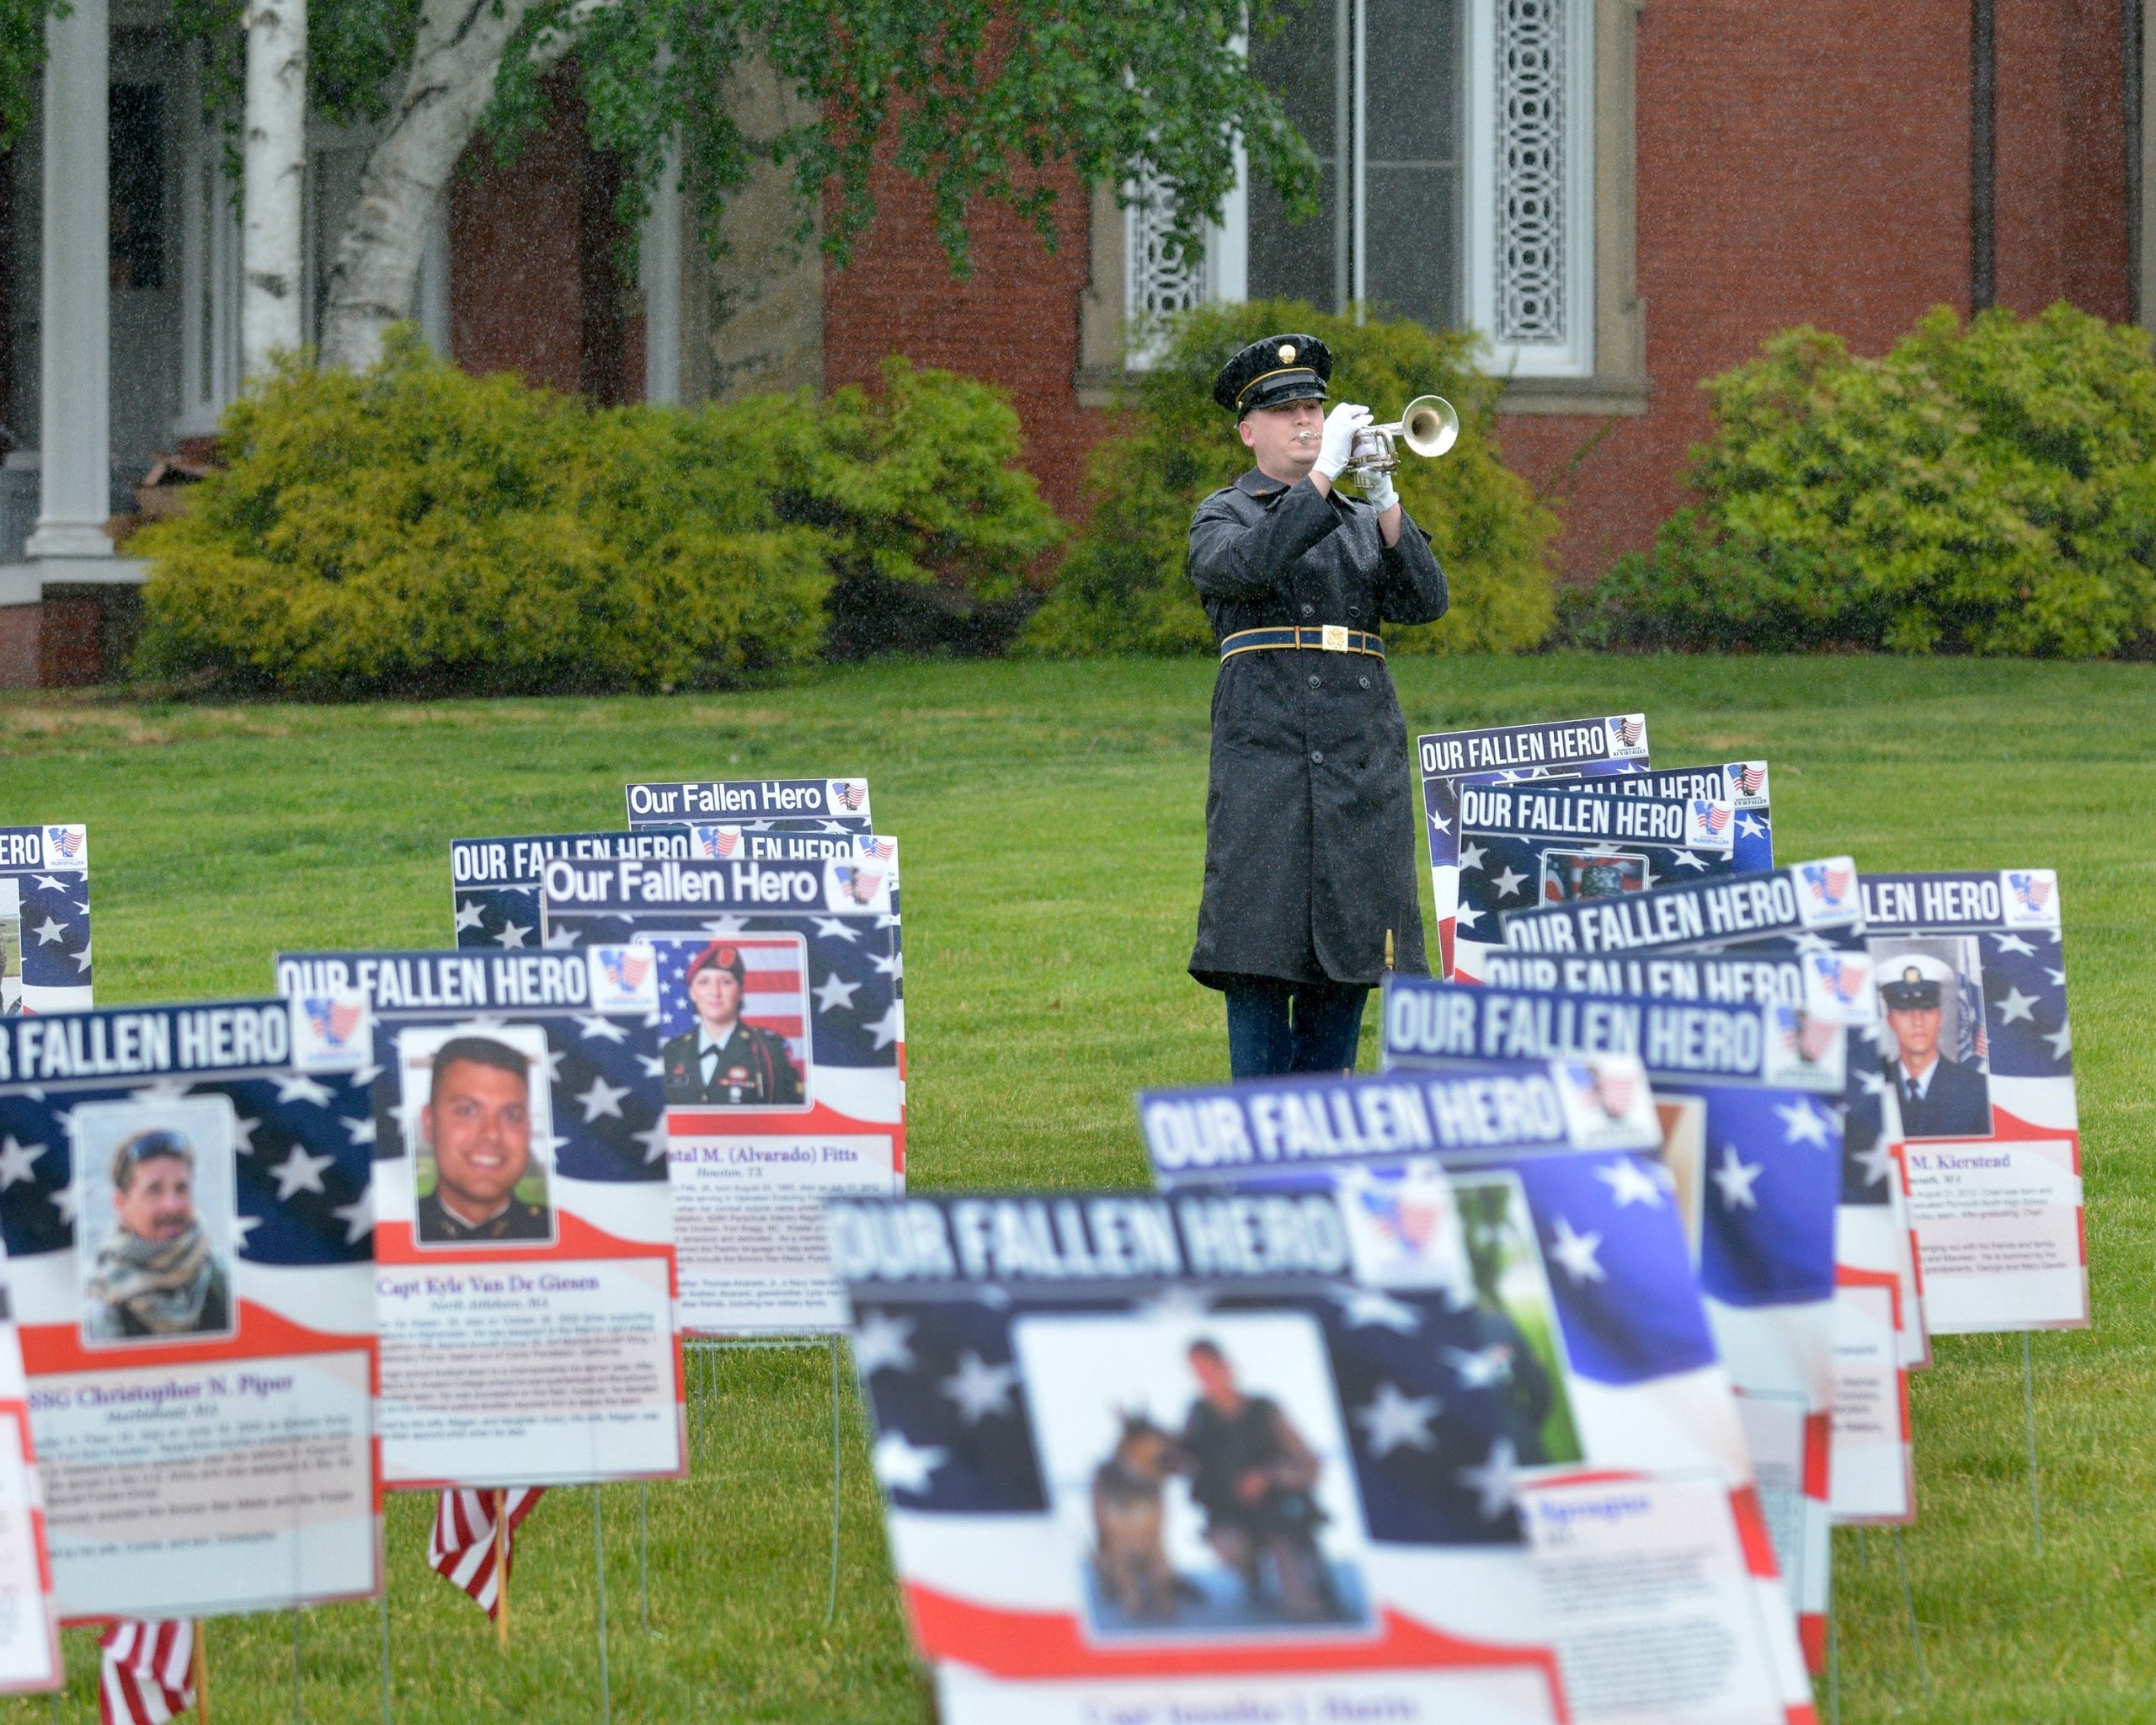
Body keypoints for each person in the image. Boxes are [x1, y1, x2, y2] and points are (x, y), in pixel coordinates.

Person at [1187, 334, 1449, 1078]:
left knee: (1351, 962)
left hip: (1360, 772)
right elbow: (1252, 564)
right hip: (1265, 770)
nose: (1307, 423)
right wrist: (1327, 475)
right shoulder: (1223, 515)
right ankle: (1258, 1150)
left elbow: (1426, 602)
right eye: (1287, 412)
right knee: (1260, 962)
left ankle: (1325, 1146)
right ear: (1249, 429)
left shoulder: (1361, 521)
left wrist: (1386, 498)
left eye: (1315, 409)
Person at [1177, 1339, 1338, 1621]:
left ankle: (1313, 1599)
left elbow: (1308, 1460)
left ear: (1225, 1367)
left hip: (1280, 1513)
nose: (1206, 1378)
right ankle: (1254, 1580)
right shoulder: (1199, 1414)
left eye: (1209, 1369)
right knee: (1228, 1545)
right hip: (1232, 1516)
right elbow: (1182, 1457)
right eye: (1198, 1371)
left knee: (1303, 1607)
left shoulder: (1264, 1410)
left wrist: (1268, 1476)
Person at [84, 1128, 232, 1339]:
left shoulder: (223, 1279)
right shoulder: (100, 1302)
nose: (172, 1206)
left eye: (181, 1188)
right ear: (121, 1203)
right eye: (154, 1190)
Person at [415, 1035, 552, 1243]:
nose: (492, 1134)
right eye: (467, 1110)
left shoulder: (557, 1229)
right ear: (429, 1123)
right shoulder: (397, 1227)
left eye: (511, 1115)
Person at [662, 942, 803, 1106]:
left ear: (740, 991)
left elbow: (788, 1121)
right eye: (703, 982)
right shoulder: (672, 1051)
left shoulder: (769, 1051)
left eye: (725, 982)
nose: (715, 992)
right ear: (692, 993)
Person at [1879, 959, 1991, 1139]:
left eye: (1927, 1009)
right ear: (1890, 1020)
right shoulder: (1875, 1084)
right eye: (1905, 1011)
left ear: (1939, 1016)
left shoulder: (1976, 1090)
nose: (1918, 1021)